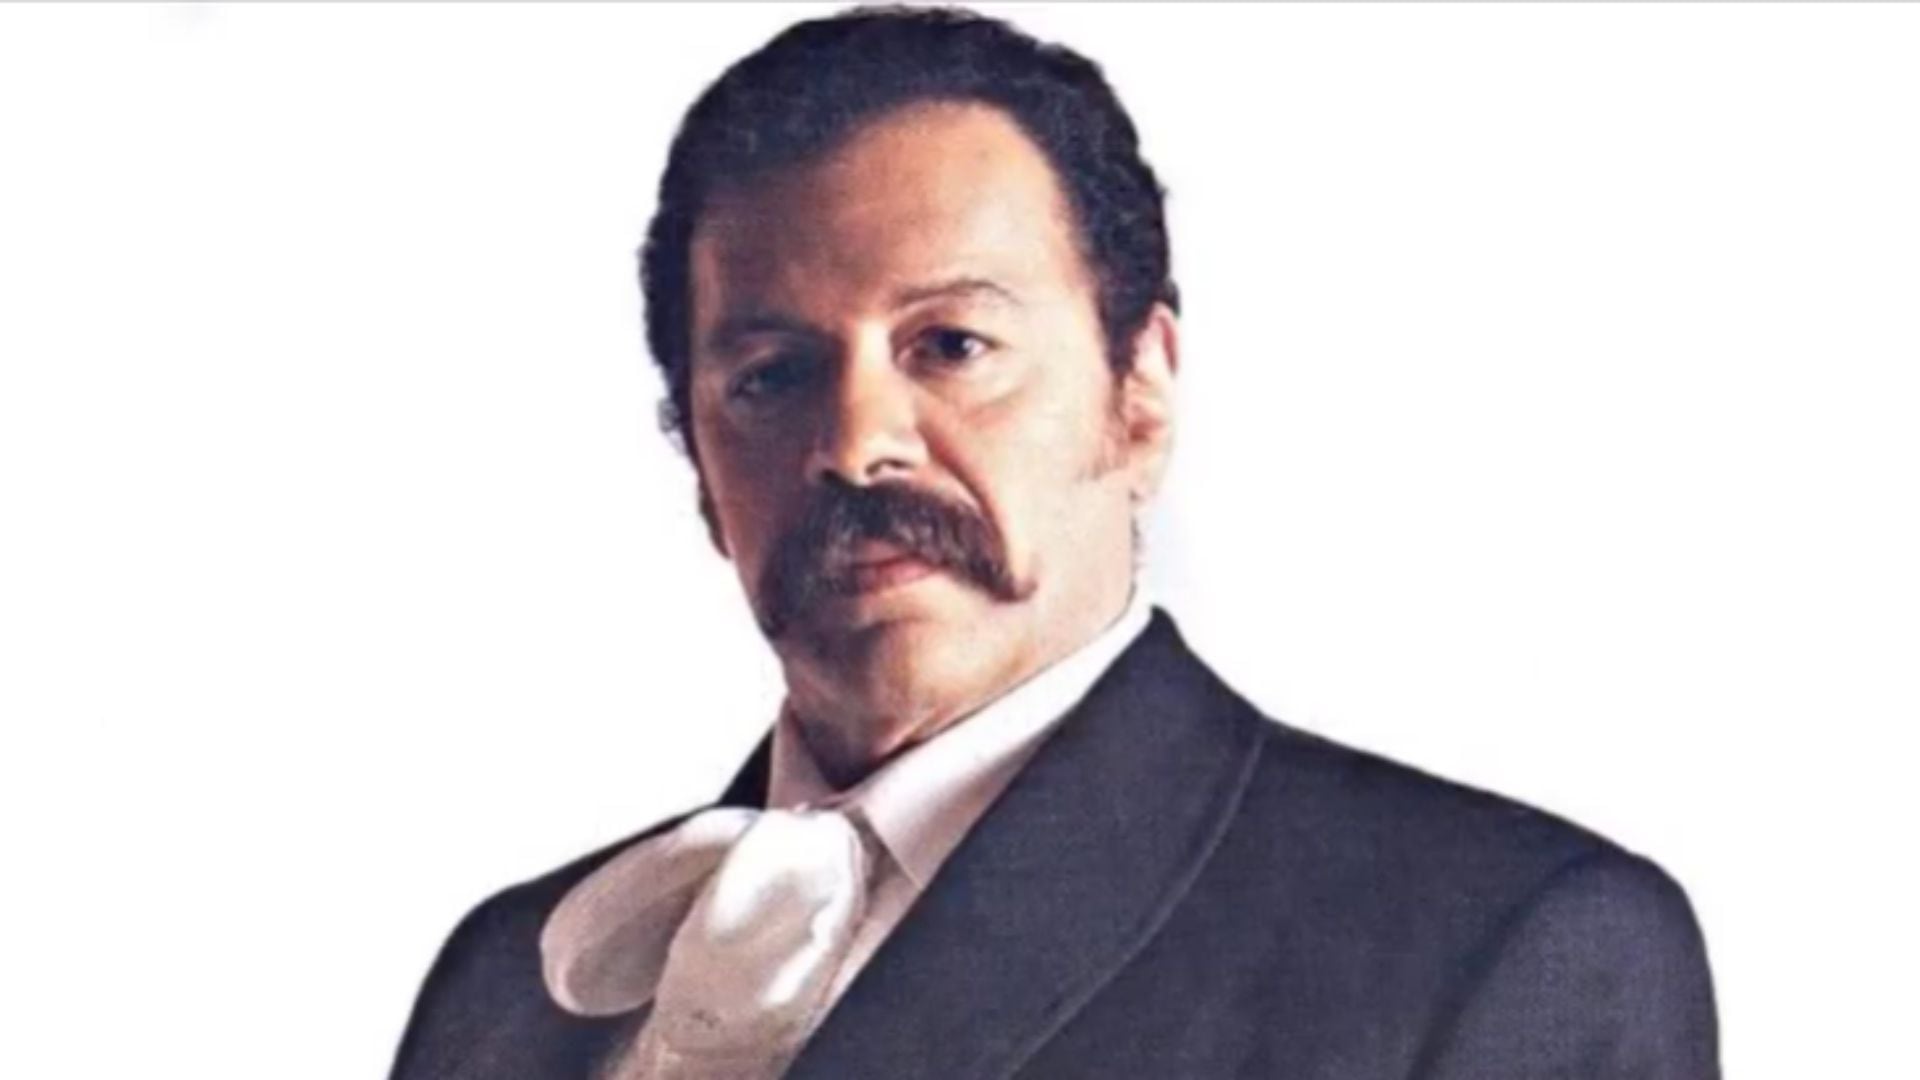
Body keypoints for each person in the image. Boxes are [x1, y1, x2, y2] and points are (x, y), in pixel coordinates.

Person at [390, 8, 1719, 1078]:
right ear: (696, 462)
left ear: (1140, 393)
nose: (856, 444)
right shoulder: (509, 983)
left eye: (952, 346)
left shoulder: (1509, 949)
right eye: (770, 375)